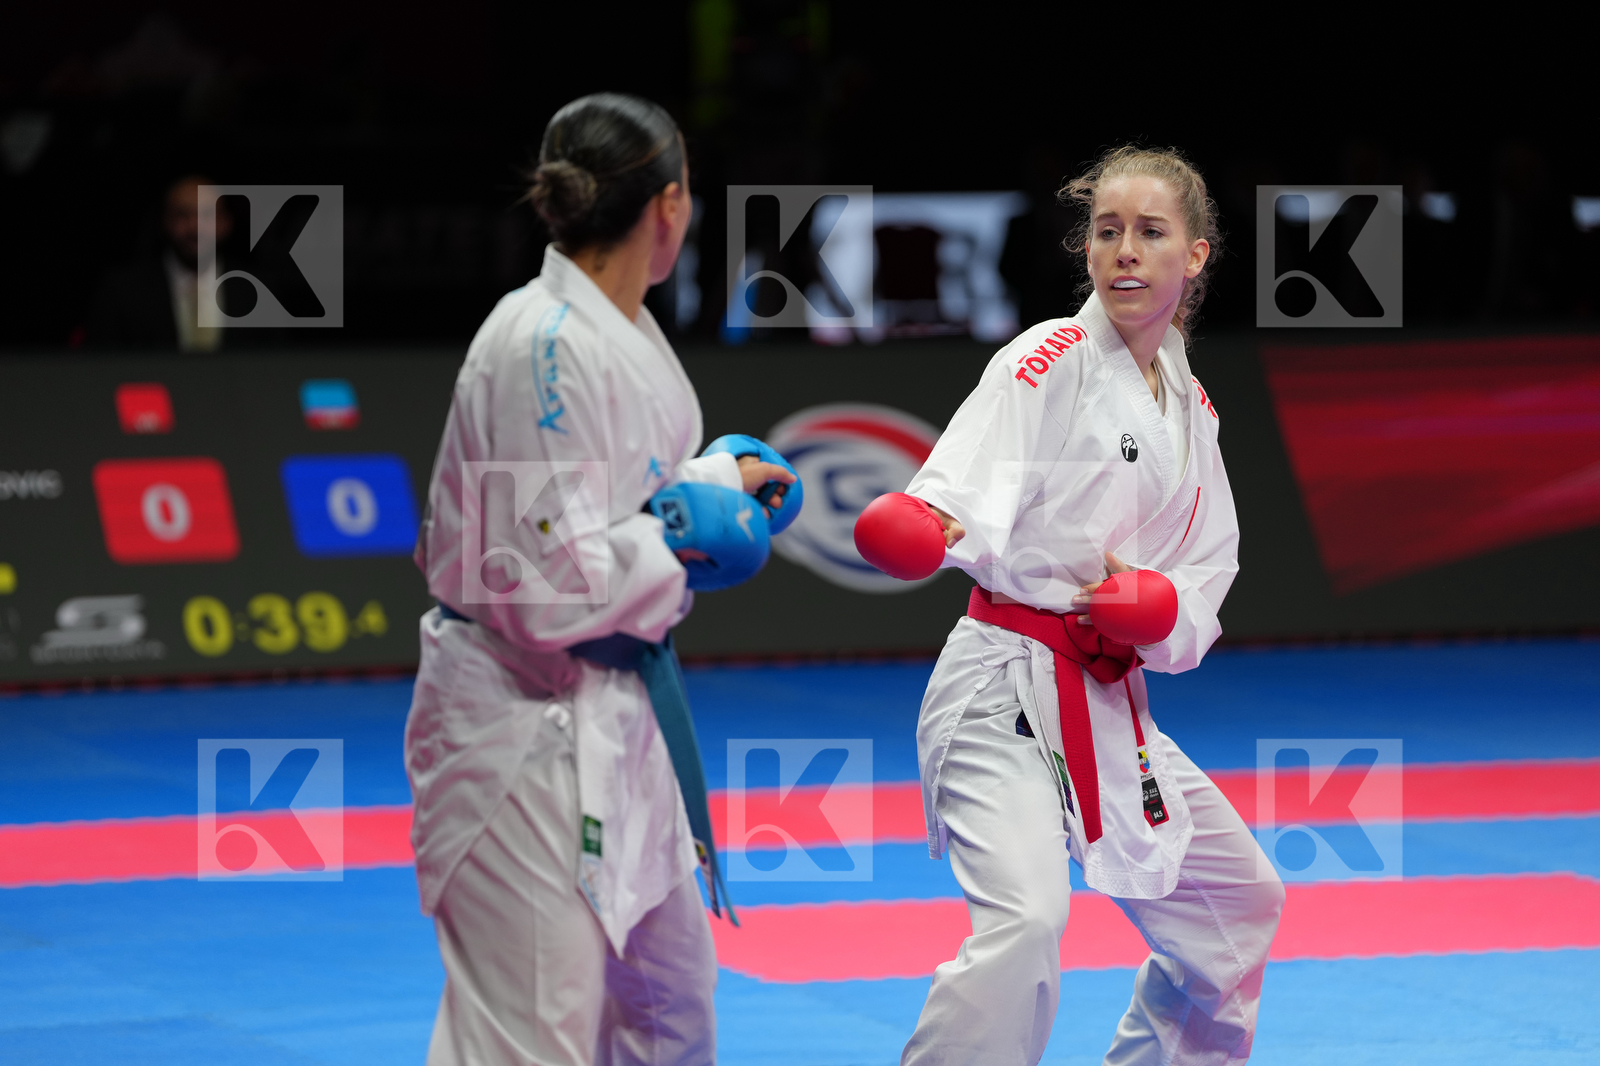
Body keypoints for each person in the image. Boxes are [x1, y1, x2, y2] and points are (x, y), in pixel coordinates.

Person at [405, 93, 794, 1066]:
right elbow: (543, 585)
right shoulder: (540, 343)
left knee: (669, 1013)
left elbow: (615, 495)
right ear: (669, 206)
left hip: (621, 716)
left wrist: (712, 483)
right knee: (530, 1033)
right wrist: (684, 530)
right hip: (518, 728)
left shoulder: (617, 327)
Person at [897, 146, 1284, 1065]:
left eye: (1151, 233)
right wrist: (923, 519)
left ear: (1194, 256)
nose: (1124, 251)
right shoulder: (1048, 356)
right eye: (1108, 232)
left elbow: (1206, 574)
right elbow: (956, 494)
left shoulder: (1194, 404)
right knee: (1027, 923)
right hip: (1001, 695)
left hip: (1107, 702)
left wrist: (1161, 614)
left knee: (1239, 905)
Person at [86, 175, 231, 351]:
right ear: (165, 221)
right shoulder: (122, 290)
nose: (195, 226)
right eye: (183, 215)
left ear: (225, 222)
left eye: (207, 214)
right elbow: (99, 363)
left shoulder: (258, 289)